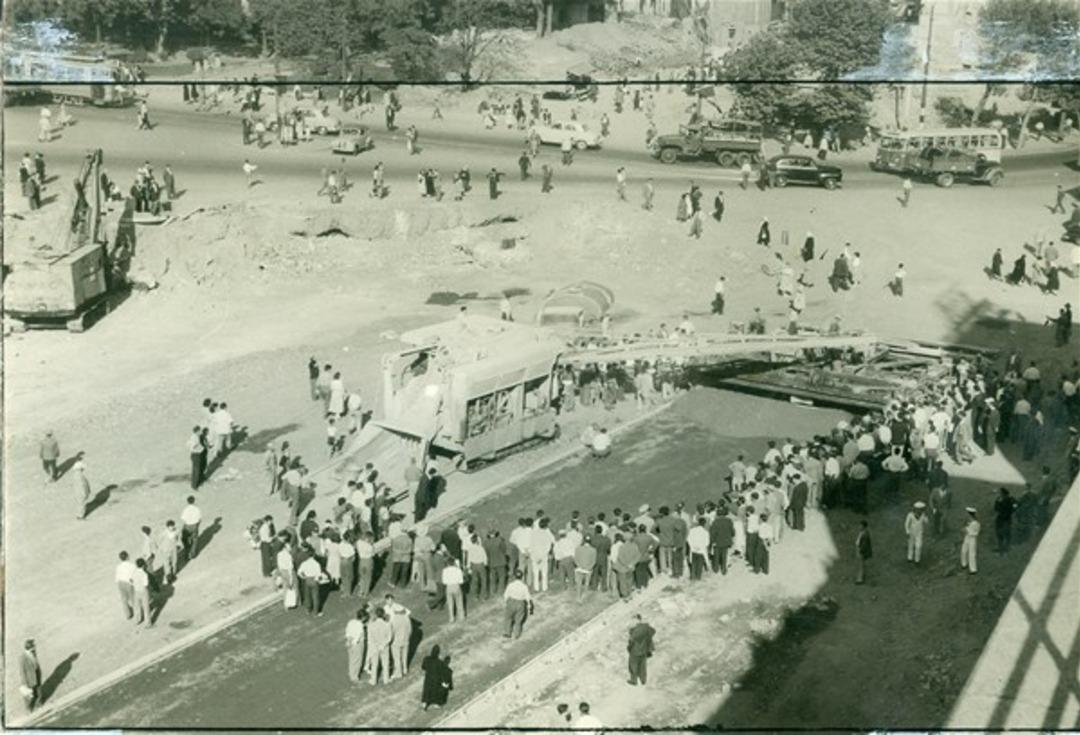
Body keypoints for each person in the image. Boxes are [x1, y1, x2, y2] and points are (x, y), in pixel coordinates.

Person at [627, 613, 656, 686]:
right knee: (642, 665)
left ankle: (634, 680)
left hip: (635, 650)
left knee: (633, 665)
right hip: (644, 650)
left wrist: (629, 647)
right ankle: (643, 680)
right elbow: (653, 631)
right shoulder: (646, 627)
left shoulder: (635, 629)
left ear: (636, 620)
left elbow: (632, 640)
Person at [420, 645, 452, 710]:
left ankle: (424, 703)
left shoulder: (426, 659)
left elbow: (423, 667)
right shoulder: (439, 662)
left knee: (426, 691)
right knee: (435, 691)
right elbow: (441, 672)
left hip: (428, 678)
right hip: (435, 679)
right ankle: (436, 704)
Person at [503, 569, 532, 639]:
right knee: (518, 620)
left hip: (511, 602)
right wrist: (529, 605)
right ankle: (517, 634)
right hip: (520, 603)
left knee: (508, 618)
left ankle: (507, 632)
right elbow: (527, 597)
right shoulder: (524, 586)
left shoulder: (511, 585)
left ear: (514, 577)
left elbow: (506, 594)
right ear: (522, 577)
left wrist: (506, 602)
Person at [19, 639, 42, 712]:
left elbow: (36, 661)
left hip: (36, 673)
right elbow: (22, 671)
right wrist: (24, 682)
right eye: (33, 646)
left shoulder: (33, 652)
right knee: (29, 694)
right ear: (30, 647)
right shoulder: (22, 657)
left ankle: (39, 704)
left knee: (38, 690)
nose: (35, 647)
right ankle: (29, 708)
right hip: (29, 678)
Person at [993, 487, 1016, 553]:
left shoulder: (1001, 500)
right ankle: (1004, 548)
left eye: (1000, 493)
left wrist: (997, 501)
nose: (999, 494)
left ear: (1003, 493)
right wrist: (1012, 510)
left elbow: (996, 508)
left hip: (1002, 518)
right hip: (1006, 518)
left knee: (1002, 534)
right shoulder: (1011, 499)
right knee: (1005, 534)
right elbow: (1016, 505)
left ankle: (1002, 548)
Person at [443, 558, 465, 622]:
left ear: (447, 563)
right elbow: (461, 581)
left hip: (449, 587)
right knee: (459, 602)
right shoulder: (458, 570)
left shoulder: (445, 571)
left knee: (450, 603)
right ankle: (461, 616)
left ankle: (451, 618)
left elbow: (444, 582)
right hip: (456, 586)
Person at [961, 507, 980, 574]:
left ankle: (973, 569)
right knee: (964, 551)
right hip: (967, 537)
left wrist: (966, 530)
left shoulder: (975, 523)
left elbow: (975, 532)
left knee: (972, 553)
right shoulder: (969, 521)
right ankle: (964, 564)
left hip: (972, 538)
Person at [855, 520, 872, 584]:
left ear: (863, 526)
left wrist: (860, 550)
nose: (859, 526)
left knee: (861, 565)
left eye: (860, 525)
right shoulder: (862, 532)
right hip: (859, 549)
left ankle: (860, 579)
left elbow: (864, 545)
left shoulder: (865, 534)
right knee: (861, 565)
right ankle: (861, 577)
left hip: (861, 551)